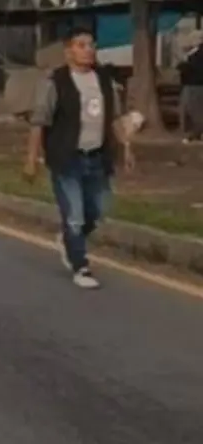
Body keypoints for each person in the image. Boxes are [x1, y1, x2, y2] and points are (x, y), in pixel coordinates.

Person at [24, 27, 134, 290]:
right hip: (67, 158)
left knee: (97, 211)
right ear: (69, 51)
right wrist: (31, 159)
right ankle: (80, 265)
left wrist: (127, 148)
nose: (88, 50)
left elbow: (117, 119)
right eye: (82, 45)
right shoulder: (55, 82)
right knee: (74, 215)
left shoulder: (105, 81)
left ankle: (69, 240)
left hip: (98, 157)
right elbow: (39, 123)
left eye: (91, 45)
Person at [176, 38, 203, 142]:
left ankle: (191, 135)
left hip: (193, 86)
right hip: (195, 85)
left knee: (192, 112)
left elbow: (184, 68)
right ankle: (196, 134)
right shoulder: (193, 55)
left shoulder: (193, 56)